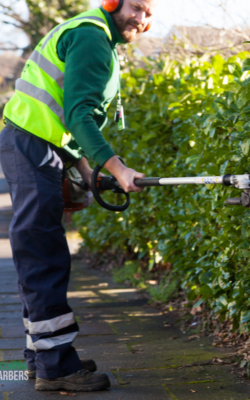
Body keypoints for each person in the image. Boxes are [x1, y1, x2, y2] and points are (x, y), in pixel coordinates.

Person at [0, 0, 156, 392]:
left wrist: (89, 172)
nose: (142, 19)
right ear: (112, 3)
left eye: (150, 14)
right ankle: (56, 369)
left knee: (40, 252)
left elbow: (63, 120)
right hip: (33, 147)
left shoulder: (89, 32)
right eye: (137, 7)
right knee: (43, 253)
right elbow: (79, 115)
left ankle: (43, 357)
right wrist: (119, 169)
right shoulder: (92, 37)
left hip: (35, 145)